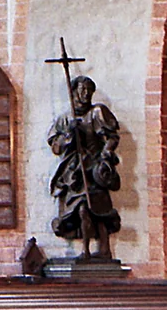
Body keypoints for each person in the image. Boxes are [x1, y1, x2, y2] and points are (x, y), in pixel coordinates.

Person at [48, 74, 123, 259]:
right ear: (73, 92)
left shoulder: (97, 112)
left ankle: (104, 248)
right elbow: (56, 147)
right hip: (74, 172)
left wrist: (106, 153)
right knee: (81, 208)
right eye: (82, 90)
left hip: (95, 167)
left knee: (99, 208)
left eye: (89, 90)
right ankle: (85, 250)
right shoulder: (65, 119)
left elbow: (113, 137)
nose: (86, 94)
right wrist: (68, 136)